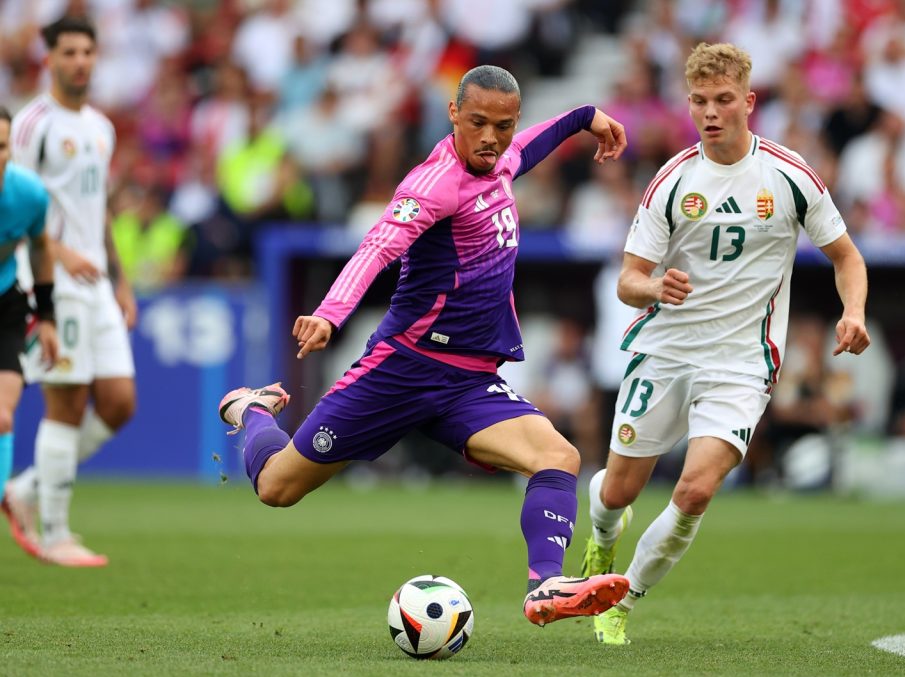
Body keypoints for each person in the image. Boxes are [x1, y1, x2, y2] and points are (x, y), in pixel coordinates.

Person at [218, 65, 630, 627]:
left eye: (503, 125)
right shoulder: (432, 184)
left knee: (558, 457)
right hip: (402, 370)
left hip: (467, 380)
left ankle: (546, 585)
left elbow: (535, 141)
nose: (492, 137)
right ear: (454, 114)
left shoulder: (503, 158)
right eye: (478, 122)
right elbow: (376, 247)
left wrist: (586, 117)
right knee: (276, 488)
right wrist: (329, 315)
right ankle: (253, 411)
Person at [579, 43, 871, 645]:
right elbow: (628, 281)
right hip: (666, 350)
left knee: (695, 489)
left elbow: (846, 256)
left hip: (742, 363)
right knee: (616, 490)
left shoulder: (790, 177)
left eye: (723, 100)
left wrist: (854, 310)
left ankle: (621, 599)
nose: (711, 112)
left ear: (749, 102)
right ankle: (601, 542)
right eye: (700, 101)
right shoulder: (672, 181)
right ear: (689, 104)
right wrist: (656, 285)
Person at [2, 16, 137, 567]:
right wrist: (60, 253)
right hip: (51, 280)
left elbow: (97, 209)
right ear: (50, 58)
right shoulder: (32, 123)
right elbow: (16, 201)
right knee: (67, 399)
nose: (80, 61)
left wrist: (120, 276)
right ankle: (55, 532)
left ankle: (24, 490)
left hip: (98, 280)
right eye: (69, 52)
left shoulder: (101, 128)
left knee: (119, 402)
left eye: (88, 52)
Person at [0, 106, 59, 521]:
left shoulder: (29, 194)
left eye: (1, 145)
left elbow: (40, 249)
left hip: (6, 301)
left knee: (3, 415)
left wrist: (49, 316)